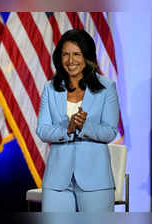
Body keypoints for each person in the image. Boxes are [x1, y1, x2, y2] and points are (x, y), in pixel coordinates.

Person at [36, 29, 119, 212]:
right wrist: (67, 129)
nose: (70, 61)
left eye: (76, 54)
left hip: (95, 180)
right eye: (65, 54)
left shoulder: (106, 87)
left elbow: (110, 131)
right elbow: (42, 130)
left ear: (87, 57)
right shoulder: (50, 88)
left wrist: (83, 127)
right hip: (57, 182)